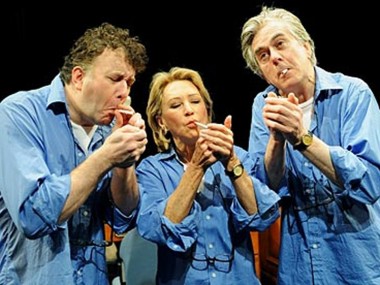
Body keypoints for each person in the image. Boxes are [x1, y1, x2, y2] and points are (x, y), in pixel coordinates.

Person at [0, 22, 148, 285]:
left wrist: (125, 163)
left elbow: (122, 220)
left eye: (130, 82)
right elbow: (33, 216)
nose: (124, 92)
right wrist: (105, 157)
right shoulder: (19, 112)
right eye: (115, 79)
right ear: (79, 78)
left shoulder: (106, 132)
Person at [241, 6, 380, 285]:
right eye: (264, 56)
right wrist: (277, 142)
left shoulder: (353, 93)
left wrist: (301, 138)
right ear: (262, 73)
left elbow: (369, 184)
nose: (275, 58)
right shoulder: (263, 106)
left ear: (306, 47)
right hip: (300, 265)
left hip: (356, 257)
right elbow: (266, 194)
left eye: (280, 44)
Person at [135, 66, 280, 285]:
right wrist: (196, 168)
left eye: (195, 102)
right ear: (160, 122)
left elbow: (261, 217)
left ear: (207, 110)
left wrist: (231, 163)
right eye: (176, 105)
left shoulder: (238, 156)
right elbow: (160, 230)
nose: (189, 110)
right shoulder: (151, 170)